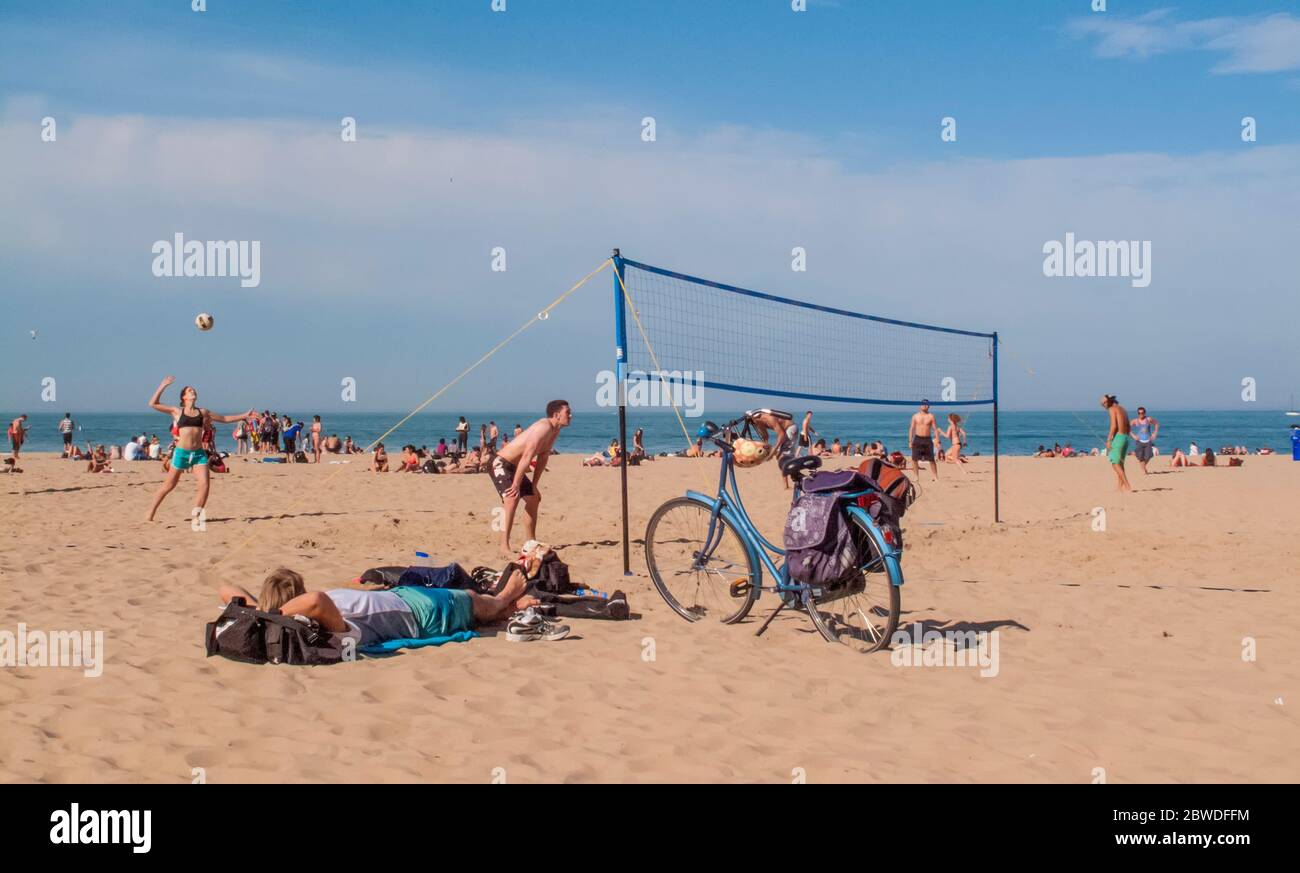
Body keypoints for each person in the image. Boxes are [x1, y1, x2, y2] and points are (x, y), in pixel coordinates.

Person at [216, 567, 567, 650]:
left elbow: (224, 587)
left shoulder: (287, 617)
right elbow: (317, 600)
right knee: (479, 604)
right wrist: (275, 614)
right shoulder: (323, 625)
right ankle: (508, 596)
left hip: (404, 598)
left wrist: (259, 610)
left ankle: (507, 606)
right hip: (419, 613)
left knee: (473, 604)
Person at [145, 377, 254, 521]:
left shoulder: (203, 412)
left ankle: (196, 516)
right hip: (181, 453)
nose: (193, 391)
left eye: (193, 390)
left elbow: (225, 418)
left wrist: (244, 415)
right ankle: (150, 513)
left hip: (198, 454)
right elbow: (152, 403)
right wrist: (162, 385)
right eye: (190, 390)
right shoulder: (176, 411)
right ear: (184, 397)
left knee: (204, 485)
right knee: (169, 486)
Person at [491, 400, 571, 555]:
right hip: (500, 463)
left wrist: (534, 485)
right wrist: (515, 484)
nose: (570, 415)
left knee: (533, 498)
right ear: (556, 415)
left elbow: (543, 457)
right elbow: (527, 455)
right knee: (512, 498)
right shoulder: (544, 427)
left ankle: (531, 542)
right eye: (567, 412)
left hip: (514, 467)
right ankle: (504, 546)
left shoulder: (555, 430)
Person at [1101, 394, 1132, 492]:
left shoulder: (1112, 409)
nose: (1104, 406)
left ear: (1109, 401)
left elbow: (1114, 426)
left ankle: (1127, 486)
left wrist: (1109, 440)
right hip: (1126, 438)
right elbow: (1128, 425)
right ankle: (1119, 487)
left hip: (1119, 437)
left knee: (1115, 464)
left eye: (1104, 403)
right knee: (1120, 464)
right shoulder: (1123, 409)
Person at [908, 400, 940, 482]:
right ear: (920, 406)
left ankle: (935, 476)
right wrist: (910, 441)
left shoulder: (931, 416)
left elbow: (935, 429)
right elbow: (911, 428)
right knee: (914, 459)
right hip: (917, 438)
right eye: (923, 404)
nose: (925, 406)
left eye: (926, 405)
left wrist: (938, 441)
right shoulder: (915, 416)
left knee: (931, 459)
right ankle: (916, 477)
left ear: (929, 406)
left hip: (927, 439)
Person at [1129, 406, 1159, 474]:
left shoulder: (1148, 419)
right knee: (1140, 457)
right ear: (1137, 413)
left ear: (1145, 413)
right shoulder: (1135, 421)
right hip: (1139, 441)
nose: (1141, 414)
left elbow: (1156, 424)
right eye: (1139, 413)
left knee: (1148, 456)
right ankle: (1144, 470)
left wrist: (1155, 433)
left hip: (1148, 440)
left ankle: (1142, 465)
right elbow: (1127, 428)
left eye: (1142, 413)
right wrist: (1133, 435)